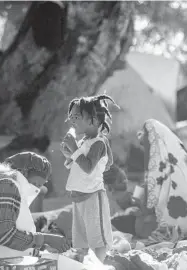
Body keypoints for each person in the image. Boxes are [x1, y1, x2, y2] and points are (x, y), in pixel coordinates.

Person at [112, 119, 187, 242]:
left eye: (146, 146)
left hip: (170, 226)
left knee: (117, 222)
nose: (146, 151)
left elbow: (147, 206)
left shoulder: (159, 168)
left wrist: (129, 201)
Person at [60, 94, 117, 263]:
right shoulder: (85, 141)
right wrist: (70, 153)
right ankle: (86, 264)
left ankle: (99, 264)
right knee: (81, 239)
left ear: (92, 119)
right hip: (79, 197)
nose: (72, 121)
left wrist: (74, 149)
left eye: (76, 116)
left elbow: (87, 167)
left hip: (93, 196)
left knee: (97, 238)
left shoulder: (99, 143)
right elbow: (77, 164)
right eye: (71, 117)